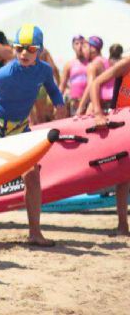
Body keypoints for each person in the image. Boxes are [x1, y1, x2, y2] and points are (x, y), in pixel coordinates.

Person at [0, 24, 67, 246]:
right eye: (19, 48)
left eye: (30, 49)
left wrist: (60, 103)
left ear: (40, 50)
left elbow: (52, 88)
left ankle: (35, 233)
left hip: (20, 127)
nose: (23, 53)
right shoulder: (8, 71)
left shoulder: (44, 70)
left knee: (32, 176)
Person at [89, 56, 130, 236]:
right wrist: (98, 113)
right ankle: (122, 225)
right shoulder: (128, 62)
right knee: (123, 177)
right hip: (121, 125)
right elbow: (96, 82)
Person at [76, 36, 113, 114]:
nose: (82, 51)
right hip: (113, 103)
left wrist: (80, 108)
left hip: (102, 105)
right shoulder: (108, 61)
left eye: (84, 47)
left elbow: (90, 86)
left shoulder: (93, 65)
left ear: (93, 49)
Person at [58, 35, 89, 115]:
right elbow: (62, 86)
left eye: (82, 43)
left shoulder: (91, 62)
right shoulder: (69, 64)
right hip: (75, 103)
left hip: (90, 102)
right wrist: (57, 102)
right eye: (77, 43)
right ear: (73, 46)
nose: (79, 46)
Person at [30, 49, 61, 124]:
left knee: (32, 119)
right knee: (42, 117)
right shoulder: (43, 51)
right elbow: (54, 68)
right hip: (40, 84)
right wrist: (59, 84)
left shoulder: (22, 50)